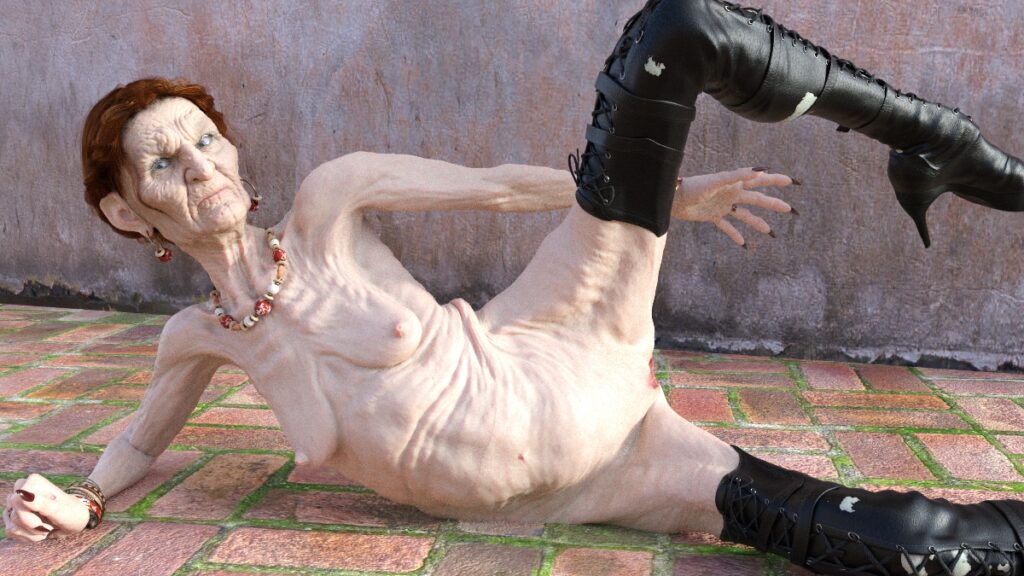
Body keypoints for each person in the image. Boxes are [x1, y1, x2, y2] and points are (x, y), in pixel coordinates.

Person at [6, 1, 1024, 574]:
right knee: (882, 542)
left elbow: (495, 188)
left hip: (549, 354)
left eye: (205, 137)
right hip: (596, 475)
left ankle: (929, 139)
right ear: (128, 214)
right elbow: (139, 442)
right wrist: (84, 502)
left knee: (676, 33)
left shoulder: (331, 201)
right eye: (165, 161)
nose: (201, 164)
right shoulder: (201, 337)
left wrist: (670, 197)